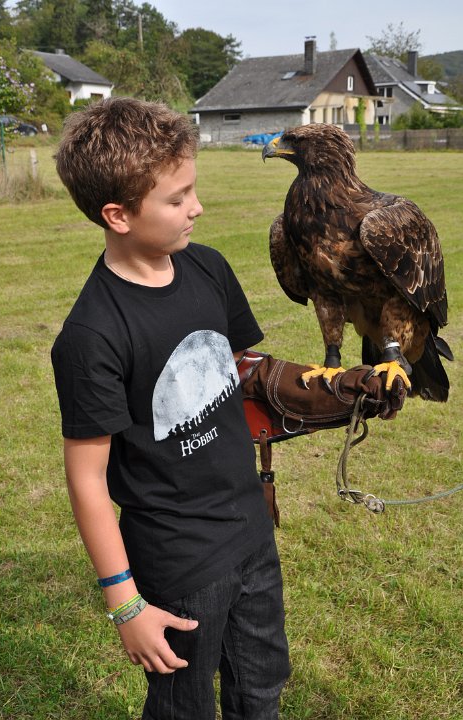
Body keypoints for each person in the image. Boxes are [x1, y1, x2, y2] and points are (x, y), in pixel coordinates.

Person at [51, 97, 405, 720]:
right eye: (178, 198)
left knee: (262, 685)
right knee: (183, 703)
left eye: (194, 190)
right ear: (118, 215)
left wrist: (330, 394)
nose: (197, 208)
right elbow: (87, 481)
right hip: (178, 553)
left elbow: (240, 373)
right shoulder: (92, 335)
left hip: (250, 526)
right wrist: (125, 604)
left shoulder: (208, 269)